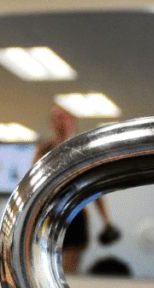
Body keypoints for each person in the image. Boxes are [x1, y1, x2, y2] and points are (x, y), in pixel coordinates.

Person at [33, 106, 117, 274]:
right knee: (47, 265)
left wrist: (106, 221)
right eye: (56, 118)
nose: (60, 122)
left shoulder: (82, 151)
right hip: (51, 214)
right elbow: (35, 186)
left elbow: (93, 186)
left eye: (64, 117)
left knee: (70, 268)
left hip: (76, 215)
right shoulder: (44, 150)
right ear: (51, 122)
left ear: (72, 122)